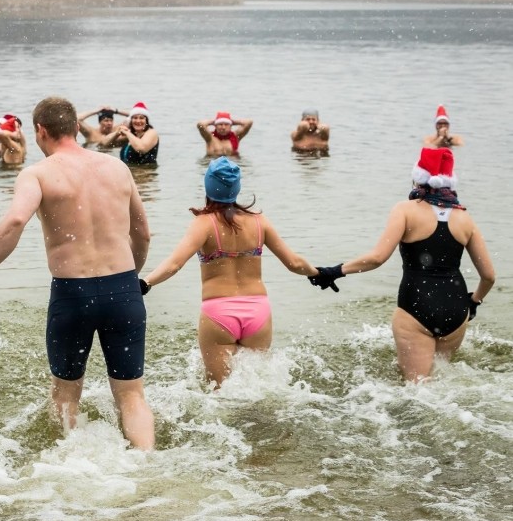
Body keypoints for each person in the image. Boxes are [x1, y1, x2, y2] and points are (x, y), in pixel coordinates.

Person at [0, 96, 154, 450]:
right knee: (131, 396)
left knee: (65, 396)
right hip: (123, 291)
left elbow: (16, 219)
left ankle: (72, 470)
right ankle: (147, 464)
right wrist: (129, 280)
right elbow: (143, 233)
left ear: (40, 131)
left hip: (72, 296)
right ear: (77, 128)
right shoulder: (117, 169)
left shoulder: (38, 174)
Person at [309, 147, 494, 382]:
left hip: (416, 306)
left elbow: (377, 257)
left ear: (419, 178)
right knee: (441, 385)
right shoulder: (465, 218)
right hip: (456, 310)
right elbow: (488, 276)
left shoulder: (405, 210)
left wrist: (335, 271)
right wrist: (474, 302)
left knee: (416, 392)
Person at [141, 157, 319, 388]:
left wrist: (145, 283)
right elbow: (294, 263)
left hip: (219, 313)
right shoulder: (259, 222)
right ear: (237, 188)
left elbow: (174, 264)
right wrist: (319, 273)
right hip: (258, 312)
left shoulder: (203, 224)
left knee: (218, 392)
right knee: (257, 388)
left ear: (208, 187)